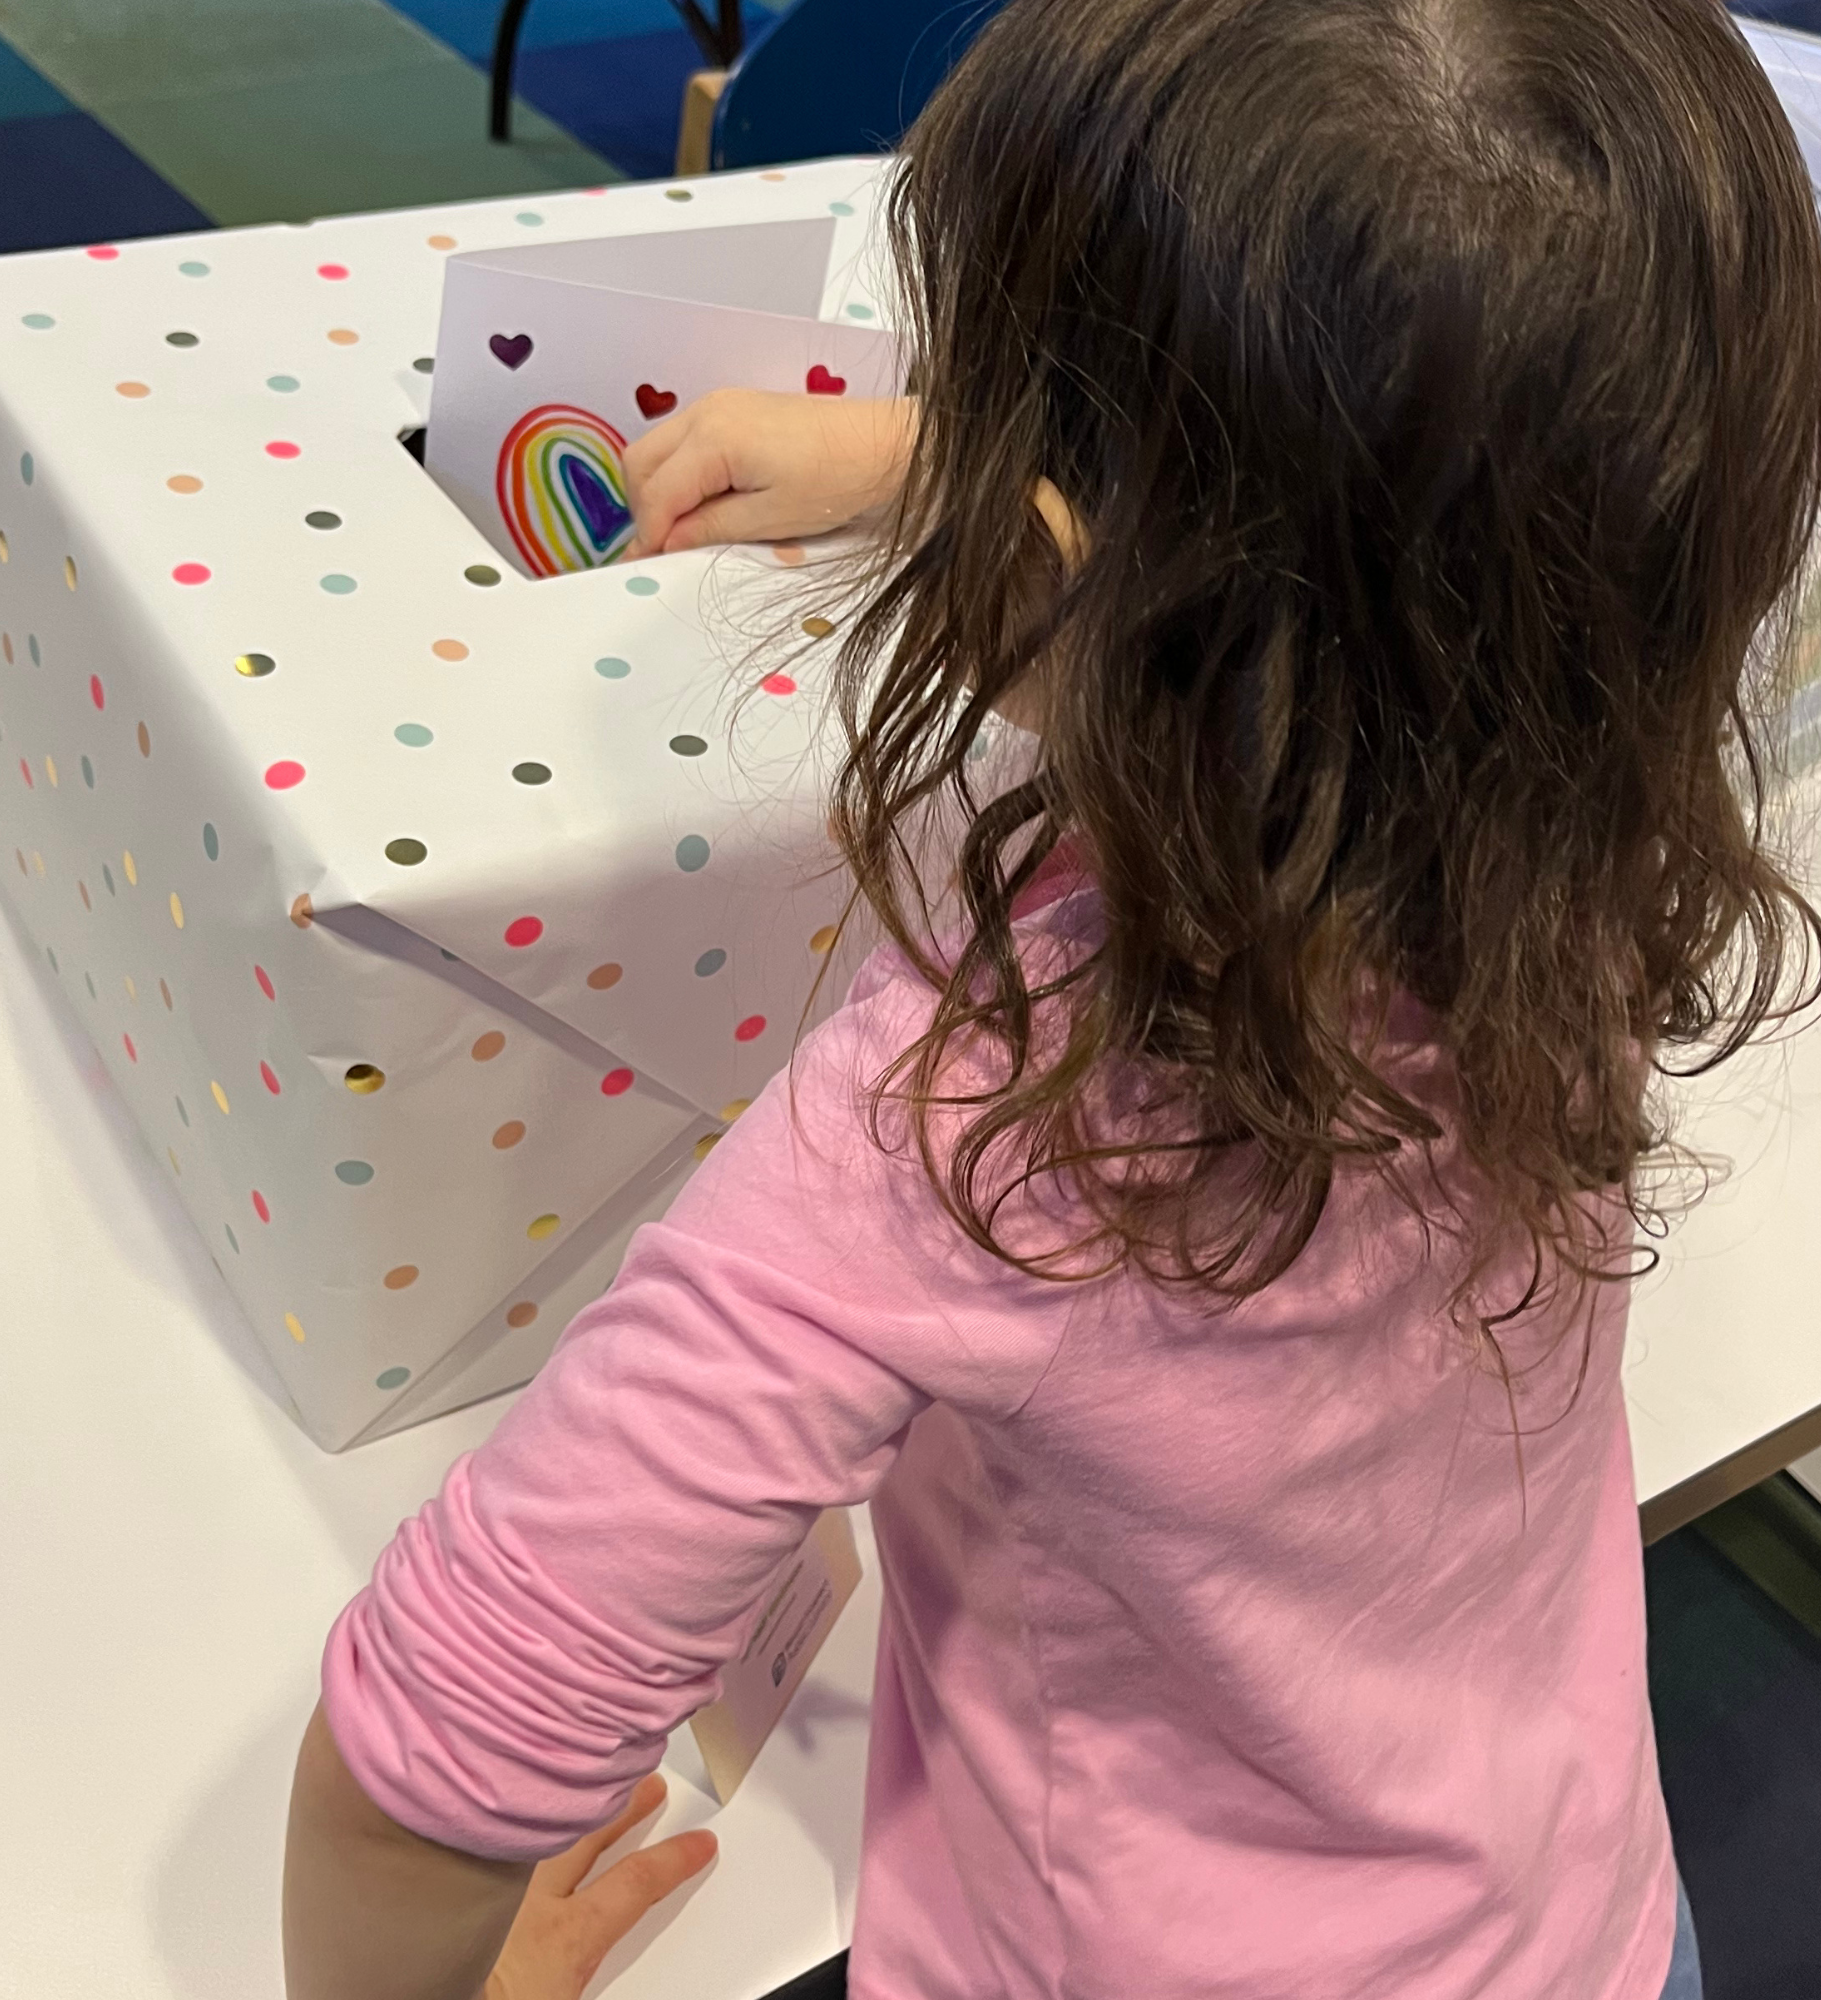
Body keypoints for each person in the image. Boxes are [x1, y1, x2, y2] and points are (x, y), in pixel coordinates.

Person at [282, 0, 1821, 1992]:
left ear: (1054, 548)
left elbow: (421, 1757)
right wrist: (928, 458)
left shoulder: (950, 1145)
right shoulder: (1583, 840)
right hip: (1589, 1926)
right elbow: (1384, 501)